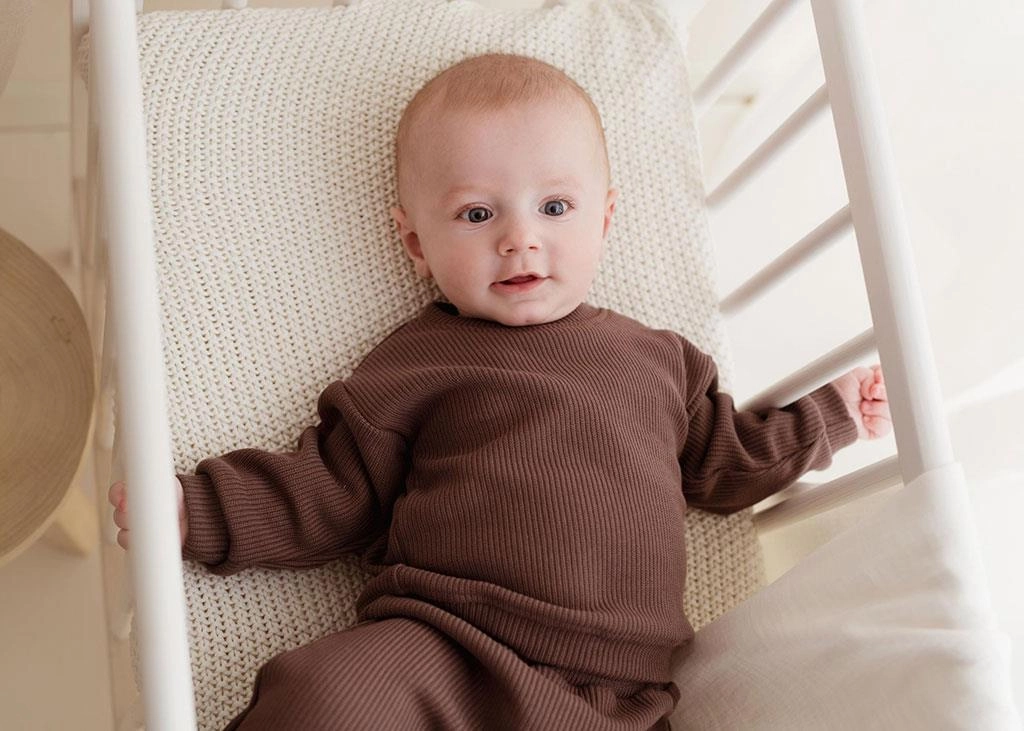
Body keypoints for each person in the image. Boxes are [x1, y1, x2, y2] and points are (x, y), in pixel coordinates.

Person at [108, 53, 891, 730]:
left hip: (612, 690)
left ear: (605, 219)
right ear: (416, 242)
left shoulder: (659, 359)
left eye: (554, 207)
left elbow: (729, 464)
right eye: (477, 213)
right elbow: (331, 486)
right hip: (442, 645)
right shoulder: (416, 361)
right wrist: (196, 510)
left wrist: (831, 414)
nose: (520, 238)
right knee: (324, 692)